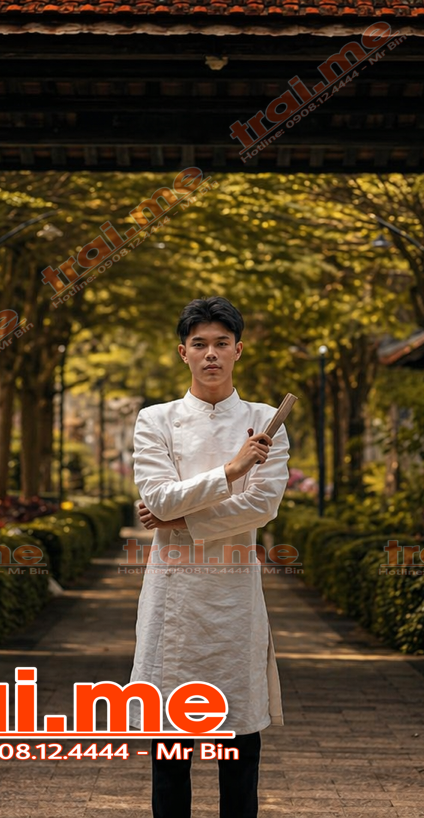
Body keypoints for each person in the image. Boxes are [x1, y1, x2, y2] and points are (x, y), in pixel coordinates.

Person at [129, 296, 290, 818]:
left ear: (239, 350)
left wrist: (178, 522)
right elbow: (157, 497)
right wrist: (233, 470)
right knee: (171, 752)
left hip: (235, 598)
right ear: (183, 352)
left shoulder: (267, 421)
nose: (211, 354)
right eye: (199, 344)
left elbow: (263, 506)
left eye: (222, 343)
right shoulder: (155, 419)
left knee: (238, 748)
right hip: (173, 599)